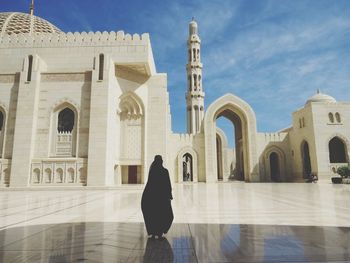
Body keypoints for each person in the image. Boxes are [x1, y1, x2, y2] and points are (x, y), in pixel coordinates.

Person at [141, 155, 173, 238]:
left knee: (153, 214)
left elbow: (149, 185)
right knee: (162, 215)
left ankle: (153, 233)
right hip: (162, 198)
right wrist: (169, 195)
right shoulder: (165, 171)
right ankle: (160, 233)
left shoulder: (153, 171)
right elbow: (168, 184)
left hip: (153, 198)